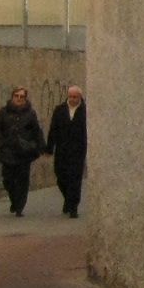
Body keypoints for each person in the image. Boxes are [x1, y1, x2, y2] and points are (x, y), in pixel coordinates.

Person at [0, 85, 45, 215]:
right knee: (8, 179)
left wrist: (40, 146)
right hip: (8, 150)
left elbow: (36, 130)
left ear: (25, 99)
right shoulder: (4, 112)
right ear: (12, 97)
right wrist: (1, 142)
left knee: (22, 180)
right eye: (17, 96)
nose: (19, 99)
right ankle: (14, 200)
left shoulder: (30, 113)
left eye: (22, 97)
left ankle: (20, 206)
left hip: (24, 152)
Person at [46, 85, 88, 217]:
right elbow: (53, 129)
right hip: (62, 149)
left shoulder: (85, 111)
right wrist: (49, 147)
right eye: (70, 96)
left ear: (80, 97)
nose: (72, 99)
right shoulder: (59, 110)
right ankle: (68, 199)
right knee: (61, 177)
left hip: (78, 150)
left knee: (75, 179)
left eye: (75, 97)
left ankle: (73, 207)